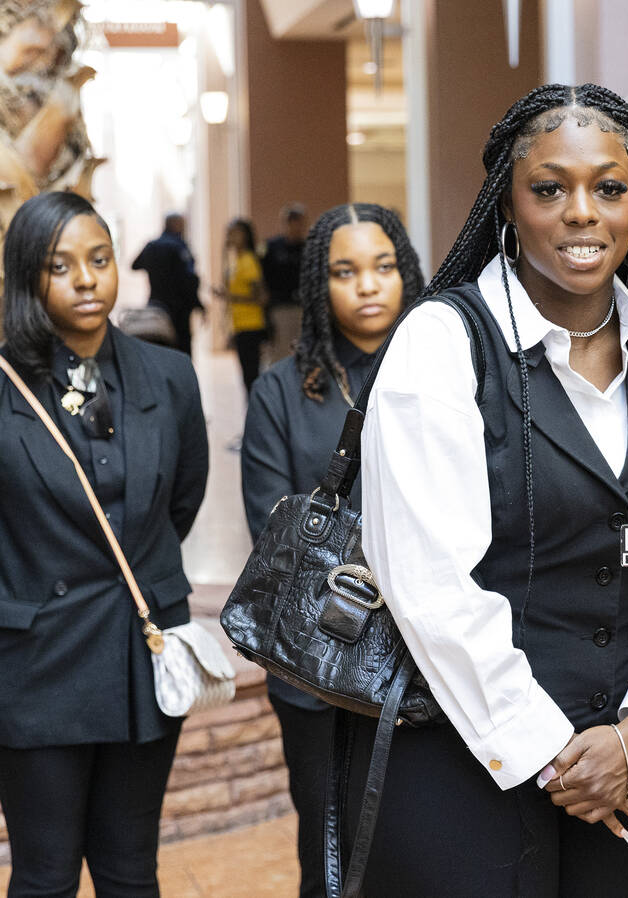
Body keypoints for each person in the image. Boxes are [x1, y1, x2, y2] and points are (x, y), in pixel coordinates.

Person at [353, 83, 628, 898]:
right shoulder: (442, 344)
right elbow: (427, 584)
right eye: (550, 188)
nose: (582, 213)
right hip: (468, 755)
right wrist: (555, 754)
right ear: (507, 202)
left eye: (609, 188)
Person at [0, 191, 209, 897]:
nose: (87, 279)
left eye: (100, 259)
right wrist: (12, 602)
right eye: (61, 266)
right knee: (46, 874)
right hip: (33, 665)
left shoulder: (169, 377)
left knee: (129, 872)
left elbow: (181, 500)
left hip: (140, 656)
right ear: (29, 279)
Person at [240, 203, 423, 898]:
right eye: (345, 272)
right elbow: (273, 531)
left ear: (406, 273)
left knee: (423, 850)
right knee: (330, 854)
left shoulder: (450, 375)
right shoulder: (280, 392)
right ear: (320, 286)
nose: (368, 285)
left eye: (383, 267)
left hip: (430, 662)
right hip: (315, 667)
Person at [130, 212, 202, 355]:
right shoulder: (179, 247)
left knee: (161, 348)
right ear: (176, 225)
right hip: (179, 308)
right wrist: (197, 303)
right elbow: (189, 279)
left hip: (157, 304)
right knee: (182, 349)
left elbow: (135, 265)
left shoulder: (152, 246)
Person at [216, 217, 266, 395]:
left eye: (234, 232)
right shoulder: (236, 261)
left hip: (251, 324)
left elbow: (260, 297)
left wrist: (231, 297)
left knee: (251, 375)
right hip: (239, 324)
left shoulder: (248, 261)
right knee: (246, 375)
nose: (229, 236)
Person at [260, 202, 308, 365]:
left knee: (303, 351)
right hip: (280, 306)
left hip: (303, 307)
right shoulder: (272, 247)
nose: (295, 227)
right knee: (280, 350)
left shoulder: (308, 247)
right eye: (291, 222)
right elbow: (263, 276)